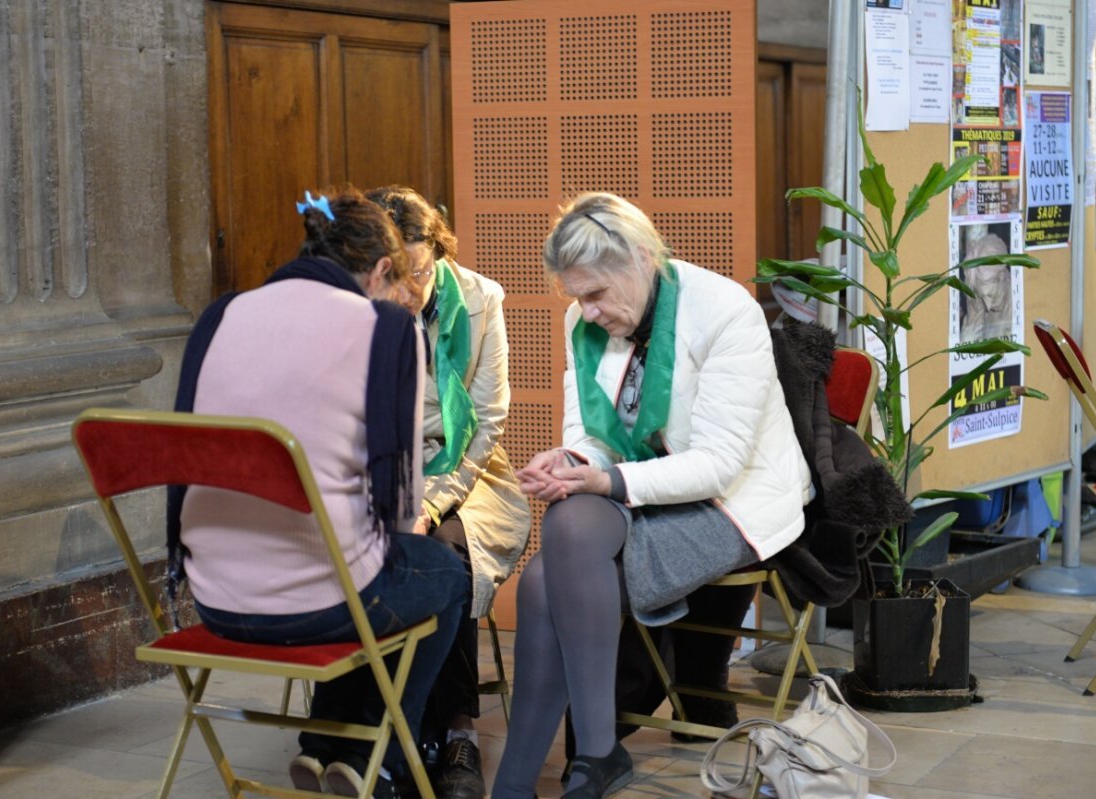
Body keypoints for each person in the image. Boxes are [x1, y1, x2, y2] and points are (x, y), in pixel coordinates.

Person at [490, 192, 812, 799]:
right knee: (566, 525)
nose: (586, 313)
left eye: (596, 294)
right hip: (645, 490)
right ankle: (588, 756)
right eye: (577, 297)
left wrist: (604, 480)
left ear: (641, 258)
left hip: (733, 502)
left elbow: (719, 466)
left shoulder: (722, 310)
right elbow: (589, 435)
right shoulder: (582, 323)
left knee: (546, 573)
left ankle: (541, 774)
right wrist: (571, 463)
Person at [170, 187, 471, 799]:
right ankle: (378, 758)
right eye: (399, 285)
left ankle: (330, 746)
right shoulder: (388, 331)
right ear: (383, 269)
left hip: (216, 601)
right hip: (322, 604)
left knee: (364, 562)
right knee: (441, 573)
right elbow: (399, 507)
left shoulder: (219, 316)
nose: (405, 300)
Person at [368, 186, 532, 799]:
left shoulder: (483, 300)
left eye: (419, 271)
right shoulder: (361, 306)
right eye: (395, 276)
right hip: (386, 468)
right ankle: (406, 728)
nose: (410, 289)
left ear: (437, 251)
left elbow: (486, 423)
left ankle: (458, 729)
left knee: (447, 549)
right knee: (394, 551)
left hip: (471, 469)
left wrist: (432, 501)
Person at [959, 229, 1013, 342]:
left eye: (989, 295)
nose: (987, 306)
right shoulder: (980, 299)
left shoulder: (1016, 305)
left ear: (1002, 277)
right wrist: (965, 339)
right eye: (983, 297)